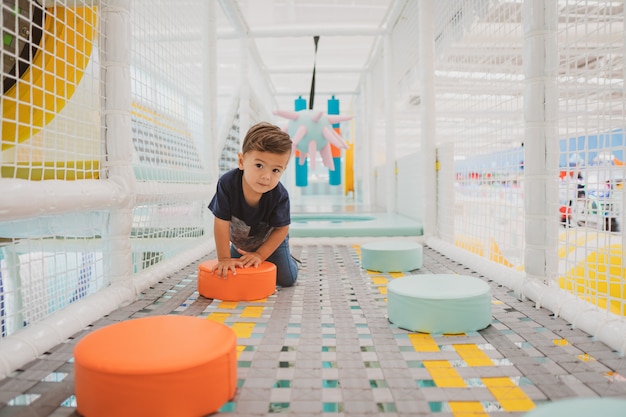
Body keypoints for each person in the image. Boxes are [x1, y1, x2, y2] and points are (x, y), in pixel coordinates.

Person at [208, 122, 298, 287]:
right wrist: (224, 259)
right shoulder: (227, 184)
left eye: (275, 170)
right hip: (241, 242)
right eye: (259, 166)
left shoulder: (279, 195)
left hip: (271, 239)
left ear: (283, 170)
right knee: (232, 272)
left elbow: (282, 229)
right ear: (242, 161)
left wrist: (260, 255)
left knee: (287, 279)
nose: (266, 176)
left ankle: (288, 258)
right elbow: (221, 222)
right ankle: (240, 253)